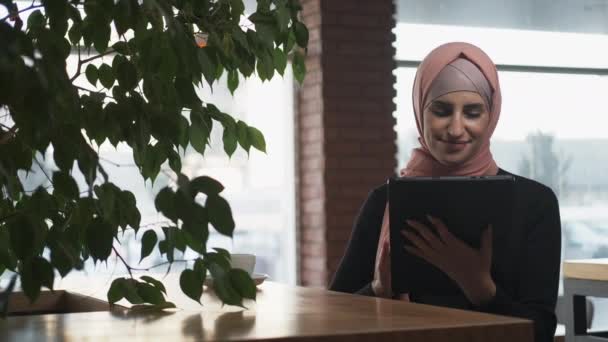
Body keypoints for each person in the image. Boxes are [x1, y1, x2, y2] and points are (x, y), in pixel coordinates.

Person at [329, 42, 561, 342]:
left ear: (490, 117)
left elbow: (541, 331)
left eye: (473, 112)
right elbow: (332, 317)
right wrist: (377, 290)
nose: (455, 128)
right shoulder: (384, 201)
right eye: (441, 110)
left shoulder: (535, 205)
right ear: (419, 111)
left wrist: (482, 290)